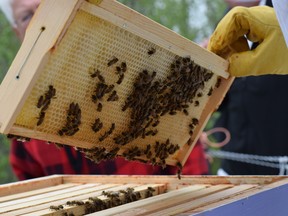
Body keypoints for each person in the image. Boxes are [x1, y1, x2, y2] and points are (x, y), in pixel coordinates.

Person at [0, 0, 209, 181]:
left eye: (49, 5)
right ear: (17, 31)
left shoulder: (139, 72)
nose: (42, 19)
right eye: (27, 16)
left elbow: (187, 164)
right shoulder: (21, 112)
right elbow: (33, 187)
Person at [208, 0, 288, 175]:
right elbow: (221, 101)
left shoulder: (282, 13)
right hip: (233, 168)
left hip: (281, 171)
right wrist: (204, 73)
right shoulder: (225, 23)